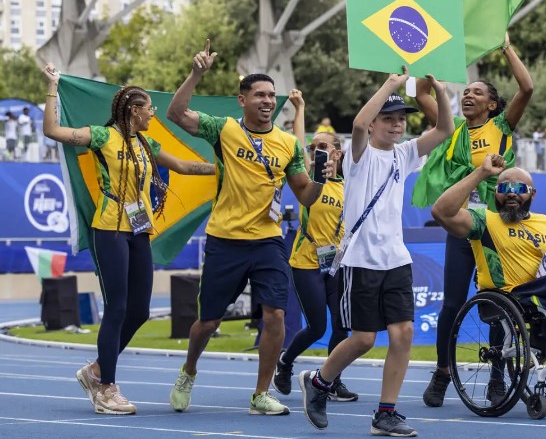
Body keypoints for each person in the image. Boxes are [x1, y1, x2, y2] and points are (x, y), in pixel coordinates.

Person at [166, 40, 328, 416]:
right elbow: (175, 114)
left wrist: (321, 178)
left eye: (272, 95)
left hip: (268, 241)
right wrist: (196, 74)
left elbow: (305, 195)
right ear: (242, 100)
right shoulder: (222, 129)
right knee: (208, 322)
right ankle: (189, 370)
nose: (268, 101)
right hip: (225, 240)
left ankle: (260, 393)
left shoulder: (287, 144)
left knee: (276, 316)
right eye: (259, 95)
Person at [41, 64, 215, 415]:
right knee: (118, 308)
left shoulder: (148, 143)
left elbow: (183, 166)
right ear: (134, 111)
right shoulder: (103, 137)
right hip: (109, 228)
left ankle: (96, 370)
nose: (153, 113)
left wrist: (223, 169)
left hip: (139, 229)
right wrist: (52, 87)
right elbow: (53, 131)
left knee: (140, 311)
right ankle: (106, 389)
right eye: (149, 108)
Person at [299, 70, 453, 436]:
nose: (397, 125)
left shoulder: (405, 154)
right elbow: (356, 123)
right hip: (361, 261)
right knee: (364, 339)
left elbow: (444, 130)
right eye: (389, 118)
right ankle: (319, 383)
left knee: (403, 334)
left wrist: (442, 93)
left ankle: (386, 413)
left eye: (401, 119)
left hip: (397, 260)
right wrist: (391, 85)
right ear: (374, 125)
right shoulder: (358, 155)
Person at [413, 34, 533, 408]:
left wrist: (505, 46)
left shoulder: (501, 127)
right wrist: (426, 63)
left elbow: (527, 87)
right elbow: (420, 96)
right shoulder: (450, 129)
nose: (468, 95)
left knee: (497, 302)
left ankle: (498, 373)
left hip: (496, 227)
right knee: (451, 304)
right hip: (461, 224)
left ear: (493, 104)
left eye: (477, 92)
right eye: (465, 91)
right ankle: (442, 372)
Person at [431, 154, 546, 387]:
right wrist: (482, 172)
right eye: (504, 187)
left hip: (539, 293)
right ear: (495, 193)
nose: (511, 193)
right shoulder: (484, 220)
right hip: (507, 295)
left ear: (532, 194)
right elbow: (440, 211)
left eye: (519, 188)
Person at [272, 90, 356, 403]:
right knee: (317, 327)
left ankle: (331, 379)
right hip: (307, 261)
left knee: (342, 325)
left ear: (338, 153)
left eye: (324, 147)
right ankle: (285, 361)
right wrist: (301, 107)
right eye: (313, 147)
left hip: (337, 264)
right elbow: (297, 141)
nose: (317, 150)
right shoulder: (310, 176)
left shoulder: (349, 185)